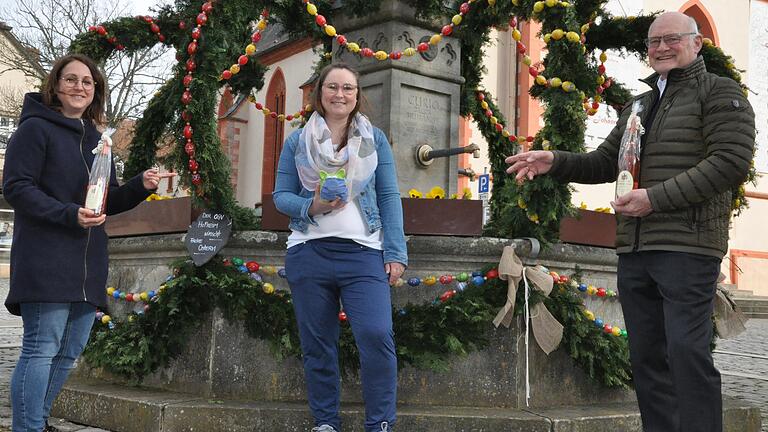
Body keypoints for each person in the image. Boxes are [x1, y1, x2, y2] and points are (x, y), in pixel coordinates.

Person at [505, 12, 754, 432]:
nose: (660, 48)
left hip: (688, 245)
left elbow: (729, 163)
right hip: (636, 247)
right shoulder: (638, 104)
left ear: (697, 44)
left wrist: (653, 200)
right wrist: (555, 161)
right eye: (653, 42)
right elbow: (606, 161)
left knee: (686, 352)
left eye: (672, 39)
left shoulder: (720, 92)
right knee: (647, 357)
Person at [3, 53, 174, 432]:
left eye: (88, 82)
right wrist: (69, 213)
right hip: (45, 256)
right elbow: (16, 186)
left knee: (69, 351)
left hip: (87, 261)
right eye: (71, 80)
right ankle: (27, 427)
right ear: (55, 86)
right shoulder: (34, 130)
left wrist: (139, 187)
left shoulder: (98, 140)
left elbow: (104, 199)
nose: (79, 87)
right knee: (41, 349)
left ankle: (38, 420)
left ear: (95, 91)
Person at [273, 63, 407, 432]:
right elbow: (280, 196)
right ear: (320, 93)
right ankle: (326, 422)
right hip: (309, 251)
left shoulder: (373, 139)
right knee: (318, 343)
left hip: (364, 253)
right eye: (332, 87)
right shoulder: (298, 141)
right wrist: (310, 206)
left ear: (357, 95)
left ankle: (379, 422)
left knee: (376, 335)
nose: (340, 95)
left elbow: (389, 195)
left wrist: (395, 252)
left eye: (348, 88)